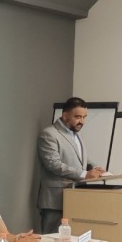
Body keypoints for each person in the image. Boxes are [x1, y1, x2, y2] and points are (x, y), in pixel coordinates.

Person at [37, 97, 106, 234]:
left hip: (75, 197)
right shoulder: (49, 134)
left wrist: (95, 168)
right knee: (51, 240)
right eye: (78, 117)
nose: (82, 121)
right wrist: (84, 174)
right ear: (65, 115)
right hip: (56, 200)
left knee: (71, 240)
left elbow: (80, 158)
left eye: (84, 117)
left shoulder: (76, 134)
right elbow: (53, 164)